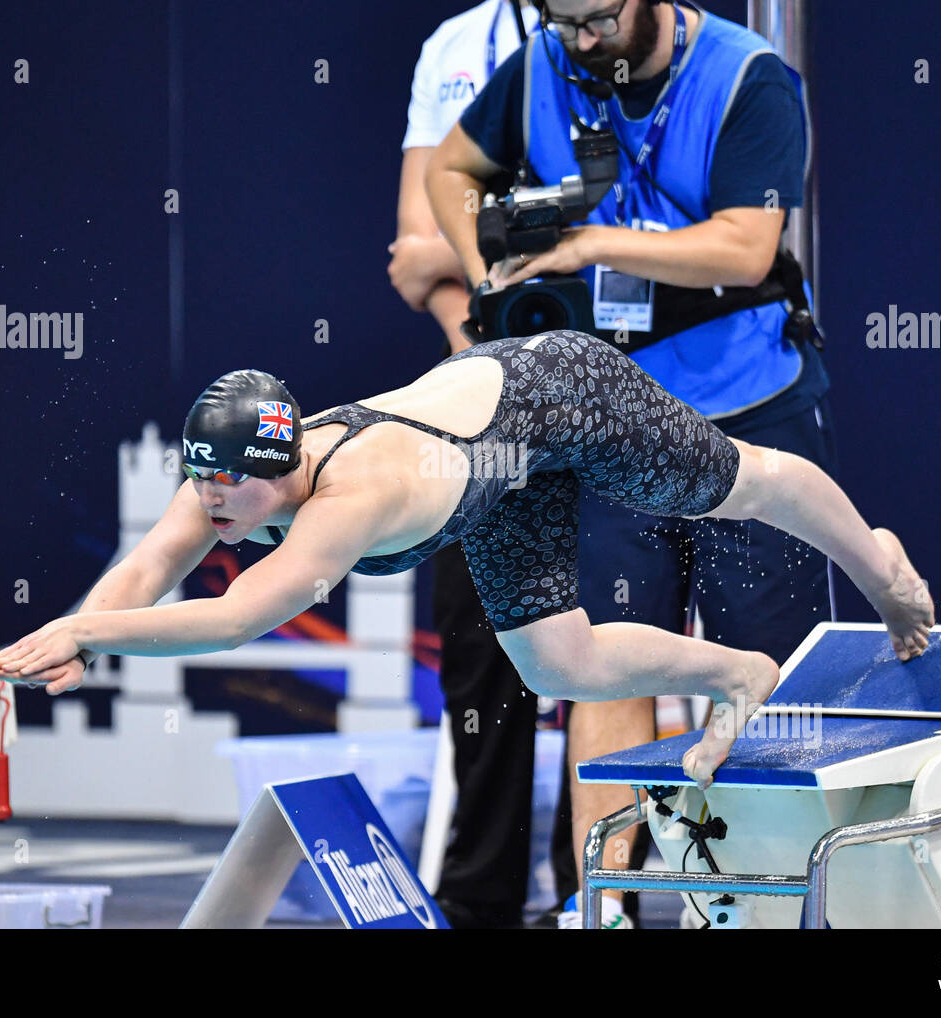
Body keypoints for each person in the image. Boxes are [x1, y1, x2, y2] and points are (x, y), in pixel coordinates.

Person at [0, 330, 935, 798]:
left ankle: (881, 569)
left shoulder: (348, 500)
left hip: (558, 397)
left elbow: (238, 619)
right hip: (491, 477)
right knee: (554, 664)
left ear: (282, 474)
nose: (210, 511)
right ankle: (737, 672)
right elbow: (146, 565)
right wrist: (86, 637)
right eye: (204, 490)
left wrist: (80, 630)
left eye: (229, 494)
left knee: (743, 485)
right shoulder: (230, 485)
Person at [424, 0, 834, 927]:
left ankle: (756, 912)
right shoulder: (539, 65)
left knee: (760, 673)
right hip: (610, 426)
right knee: (599, 669)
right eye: (563, 19)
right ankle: (598, 906)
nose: (581, 40)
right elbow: (450, 168)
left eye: (598, 18)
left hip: (747, 412)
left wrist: (591, 243)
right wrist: (484, 263)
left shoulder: (749, 78)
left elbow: (745, 243)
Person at [388, 0, 555, 930]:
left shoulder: (626, 35)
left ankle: (591, 884)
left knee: (611, 649)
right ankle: (481, 894)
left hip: (616, 384)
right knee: (480, 642)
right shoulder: (455, 44)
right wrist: (492, 357)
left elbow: (444, 245)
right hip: (479, 390)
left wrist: (464, 248)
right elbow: (412, 252)